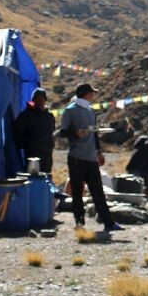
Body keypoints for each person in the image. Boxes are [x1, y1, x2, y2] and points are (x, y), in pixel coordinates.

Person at [58, 84, 122, 232]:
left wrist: (99, 152)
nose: (94, 96)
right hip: (76, 157)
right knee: (77, 191)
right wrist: (75, 134)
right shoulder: (70, 110)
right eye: (92, 93)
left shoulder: (91, 111)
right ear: (86, 94)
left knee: (97, 191)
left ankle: (108, 223)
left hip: (91, 157)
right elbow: (62, 133)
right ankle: (79, 223)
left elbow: (94, 133)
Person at [11, 88, 55, 174]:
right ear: (33, 100)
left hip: (47, 155)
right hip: (32, 155)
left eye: (41, 98)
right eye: (36, 98)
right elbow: (17, 132)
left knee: (46, 177)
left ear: (45, 99)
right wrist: (27, 145)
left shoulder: (49, 116)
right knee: (33, 178)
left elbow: (51, 130)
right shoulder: (25, 115)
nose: (39, 100)